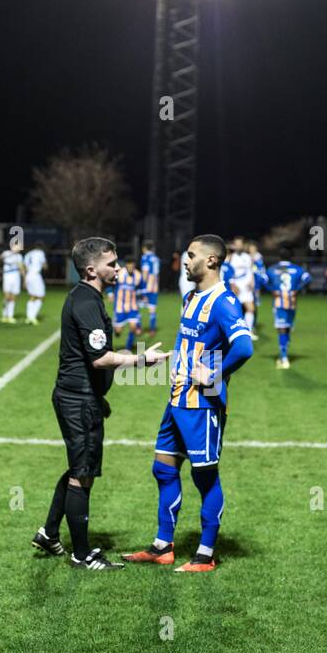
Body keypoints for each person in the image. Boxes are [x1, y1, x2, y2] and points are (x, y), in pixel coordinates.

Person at [33, 238, 169, 569]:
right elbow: (99, 359)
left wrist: (98, 397)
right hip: (77, 399)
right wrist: (143, 359)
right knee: (82, 473)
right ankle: (81, 555)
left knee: (80, 467)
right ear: (92, 269)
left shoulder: (89, 297)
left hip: (84, 397)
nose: (118, 268)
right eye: (112, 263)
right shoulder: (85, 302)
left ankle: (49, 534)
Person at [121, 234, 254, 573]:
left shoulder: (224, 301)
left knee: (205, 477)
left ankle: (206, 555)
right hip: (177, 398)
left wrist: (216, 374)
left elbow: (243, 348)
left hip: (203, 404)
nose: (184, 259)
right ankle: (163, 546)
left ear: (211, 261)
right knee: (163, 469)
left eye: (191, 255)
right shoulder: (191, 297)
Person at [263, 258, 311, 369]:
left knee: (281, 328)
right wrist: (297, 289)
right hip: (292, 301)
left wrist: (271, 289)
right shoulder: (297, 268)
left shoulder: (272, 268)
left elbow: (261, 279)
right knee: (288, 326)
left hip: (279, 301)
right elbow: (308, 278)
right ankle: (284, 352)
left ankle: (284, 357)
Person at [110, 253, 143, 351]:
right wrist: (110, 294)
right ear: (126, 265)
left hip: (132, 307)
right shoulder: (119, 273)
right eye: (129, 265)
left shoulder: (138, 275)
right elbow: (109, 283)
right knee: (118, 332)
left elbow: (141, 288)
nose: (131, 268)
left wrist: (142, 297)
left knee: (134, 329)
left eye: (132, 265)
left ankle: (127, 349)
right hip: (120, 307)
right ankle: (115, 328)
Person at [138, 240, 161, 333]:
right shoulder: (156, 258)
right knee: (152, 308)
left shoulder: (145, 257)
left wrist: (141, 285)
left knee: (137, 306)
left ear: (144, 248)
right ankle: (152, 329)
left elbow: (145, 272)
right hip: (154, 286)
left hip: (146, 285)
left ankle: (138, 328)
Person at [23, 242, 48, 325]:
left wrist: (25, 280)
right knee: (41, 296)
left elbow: (25, 267)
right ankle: (32, 317)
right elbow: (44, 266)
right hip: (36, 275)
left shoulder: (28, 254)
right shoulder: (40, 253)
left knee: (33, 296)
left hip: (28, 275)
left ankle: (29, 317)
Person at [0, 240, 23, 323]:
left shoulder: (19, 256)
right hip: (7, 276)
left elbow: (21, 267)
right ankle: (4, 315)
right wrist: (10, 253)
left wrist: (24, 278)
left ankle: (10, 316)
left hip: (16, 277)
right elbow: (0, 257)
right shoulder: (6, 253)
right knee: (7, 296)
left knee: (13, 297)